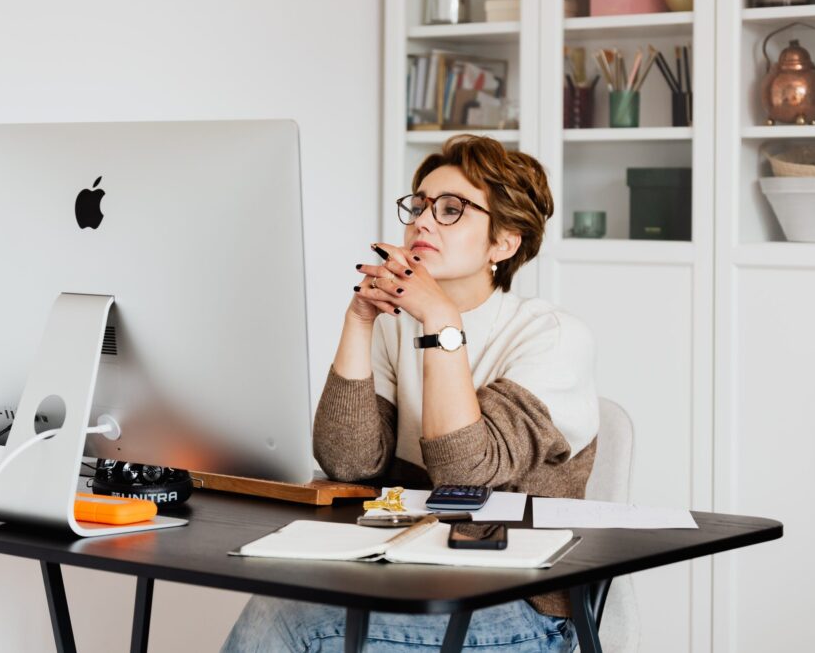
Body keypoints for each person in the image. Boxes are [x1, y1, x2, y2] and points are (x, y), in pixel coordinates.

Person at [221, 135, 599, 652]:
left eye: (451, 210)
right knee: (279, 596)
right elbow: (347, 462)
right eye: (419, 205)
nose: (422, 221)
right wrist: (359, 319)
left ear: (504, 243)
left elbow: (464, 477)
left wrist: (442, 322)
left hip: (521, 608)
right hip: (405, 576)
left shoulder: (553, 336)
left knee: (286, 618)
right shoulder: (396, 326)